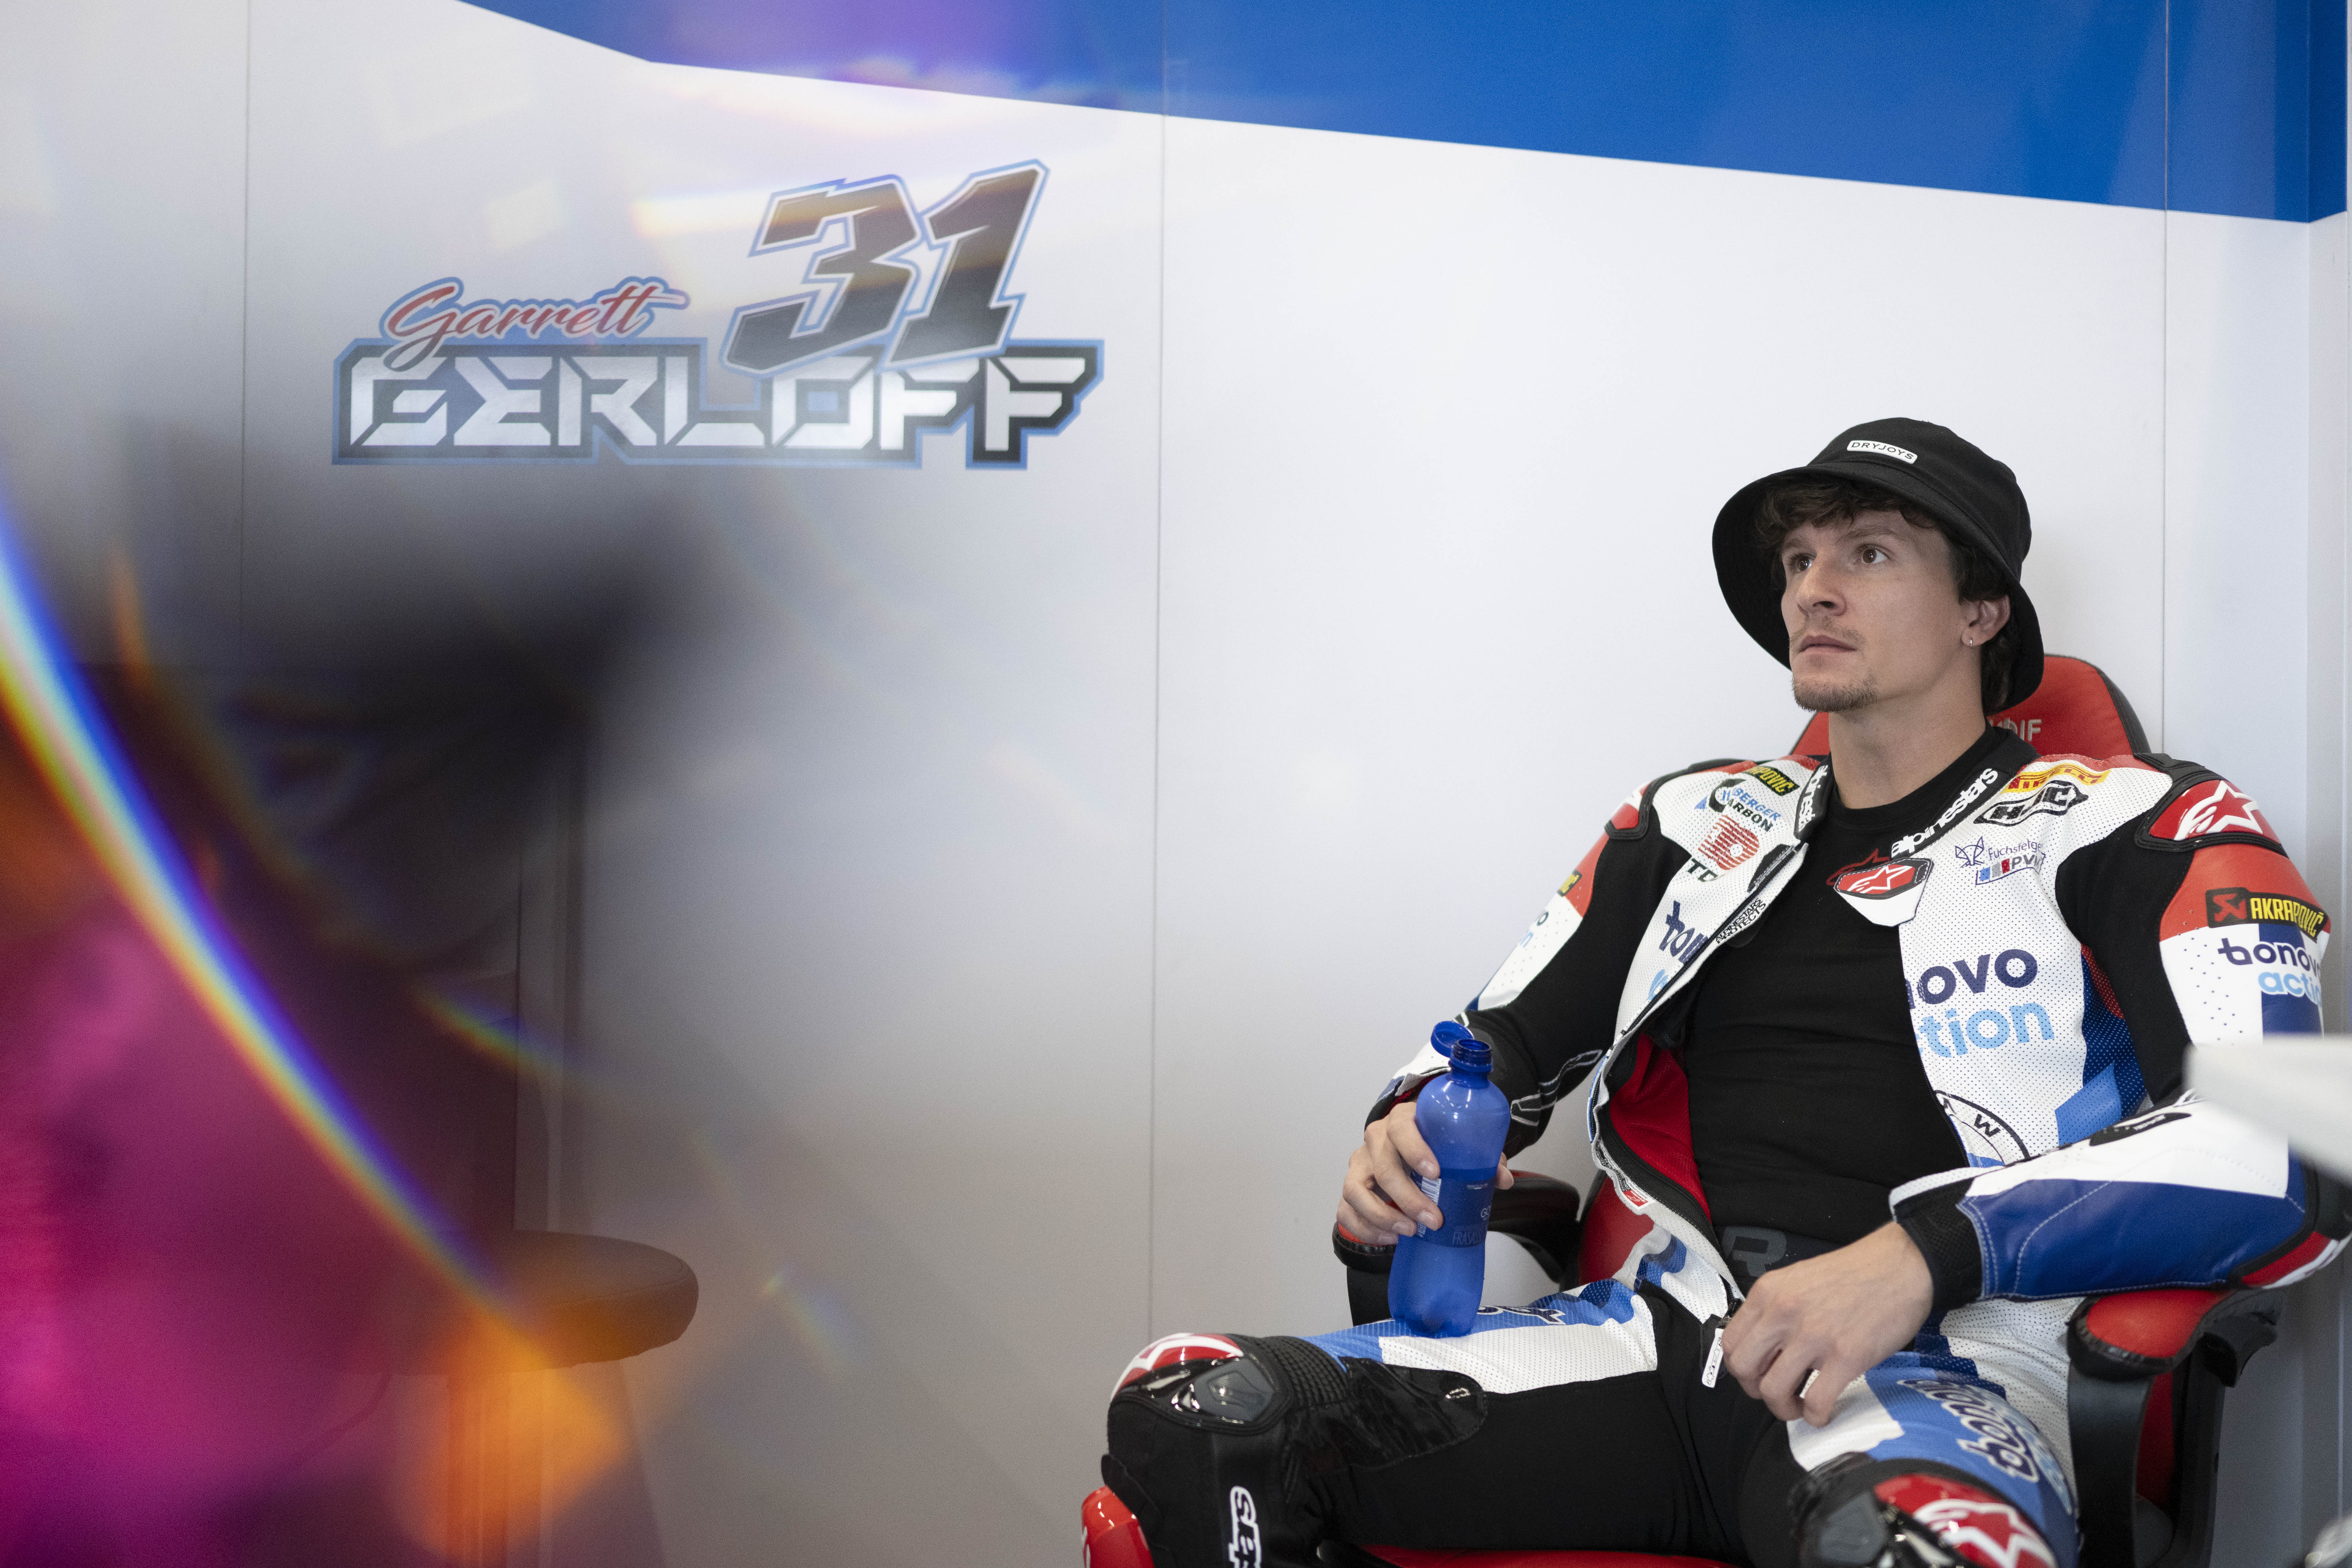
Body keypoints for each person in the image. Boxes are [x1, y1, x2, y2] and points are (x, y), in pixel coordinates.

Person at [1090, 419, 2345, 1568]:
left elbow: (2295, 1147)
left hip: (1941, 1367)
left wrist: (1919, 1258)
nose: (1812, 590)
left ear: (1982, 610)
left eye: (1868, 553)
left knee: (1922, 1554)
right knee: (1195, 1408)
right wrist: (1411, 1122)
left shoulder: (2149, 822)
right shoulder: (1699, 822)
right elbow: (1492, 1046)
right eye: (1799, 561)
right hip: (1658, 1340)